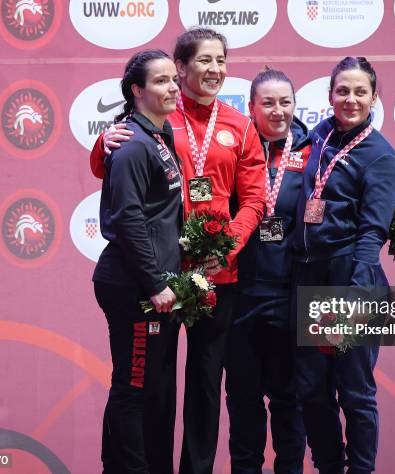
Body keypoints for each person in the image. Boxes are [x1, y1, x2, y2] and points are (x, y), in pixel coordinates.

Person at [90, 28, 266, 474]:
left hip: (216, 275)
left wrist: (228, 248)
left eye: (221, 61)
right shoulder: (159, 115)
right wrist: (101, 142)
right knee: (154, 383)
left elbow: (254, 201)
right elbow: (110, 168)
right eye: (204, 61)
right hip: (162, 273)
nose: (215, 70)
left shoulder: (240, 125)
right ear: (181, 67)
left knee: (206, 383)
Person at [293, 57, 395, 473]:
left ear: (374, 97)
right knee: (312, 389)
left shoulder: (381, 157)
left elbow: (372, 234)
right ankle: (328, 467)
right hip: (312, 278)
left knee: (354, 391)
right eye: (343, 91)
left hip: (352, 282)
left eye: (360, 92)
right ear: (329, 96)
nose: (351, 99)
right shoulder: (319, 136)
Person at [92, 49, 183, 474]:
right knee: (132, 385)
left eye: (173, 80)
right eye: (161, 81)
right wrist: (153, 282)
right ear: (136, 90)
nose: (172, 88)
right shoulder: (131, 145)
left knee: (152, 387)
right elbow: (127, 217)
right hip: (135, 288)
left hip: (154, 284)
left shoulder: (157, 138)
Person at [224, 68, 311, 473]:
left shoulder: (314, 150)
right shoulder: (235, 150)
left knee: (289, 400)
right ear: (252, 108)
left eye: (285, 102)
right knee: (242, 400)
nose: (278, 111)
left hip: (291, 298)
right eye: (269, 103)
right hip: (239, 296)